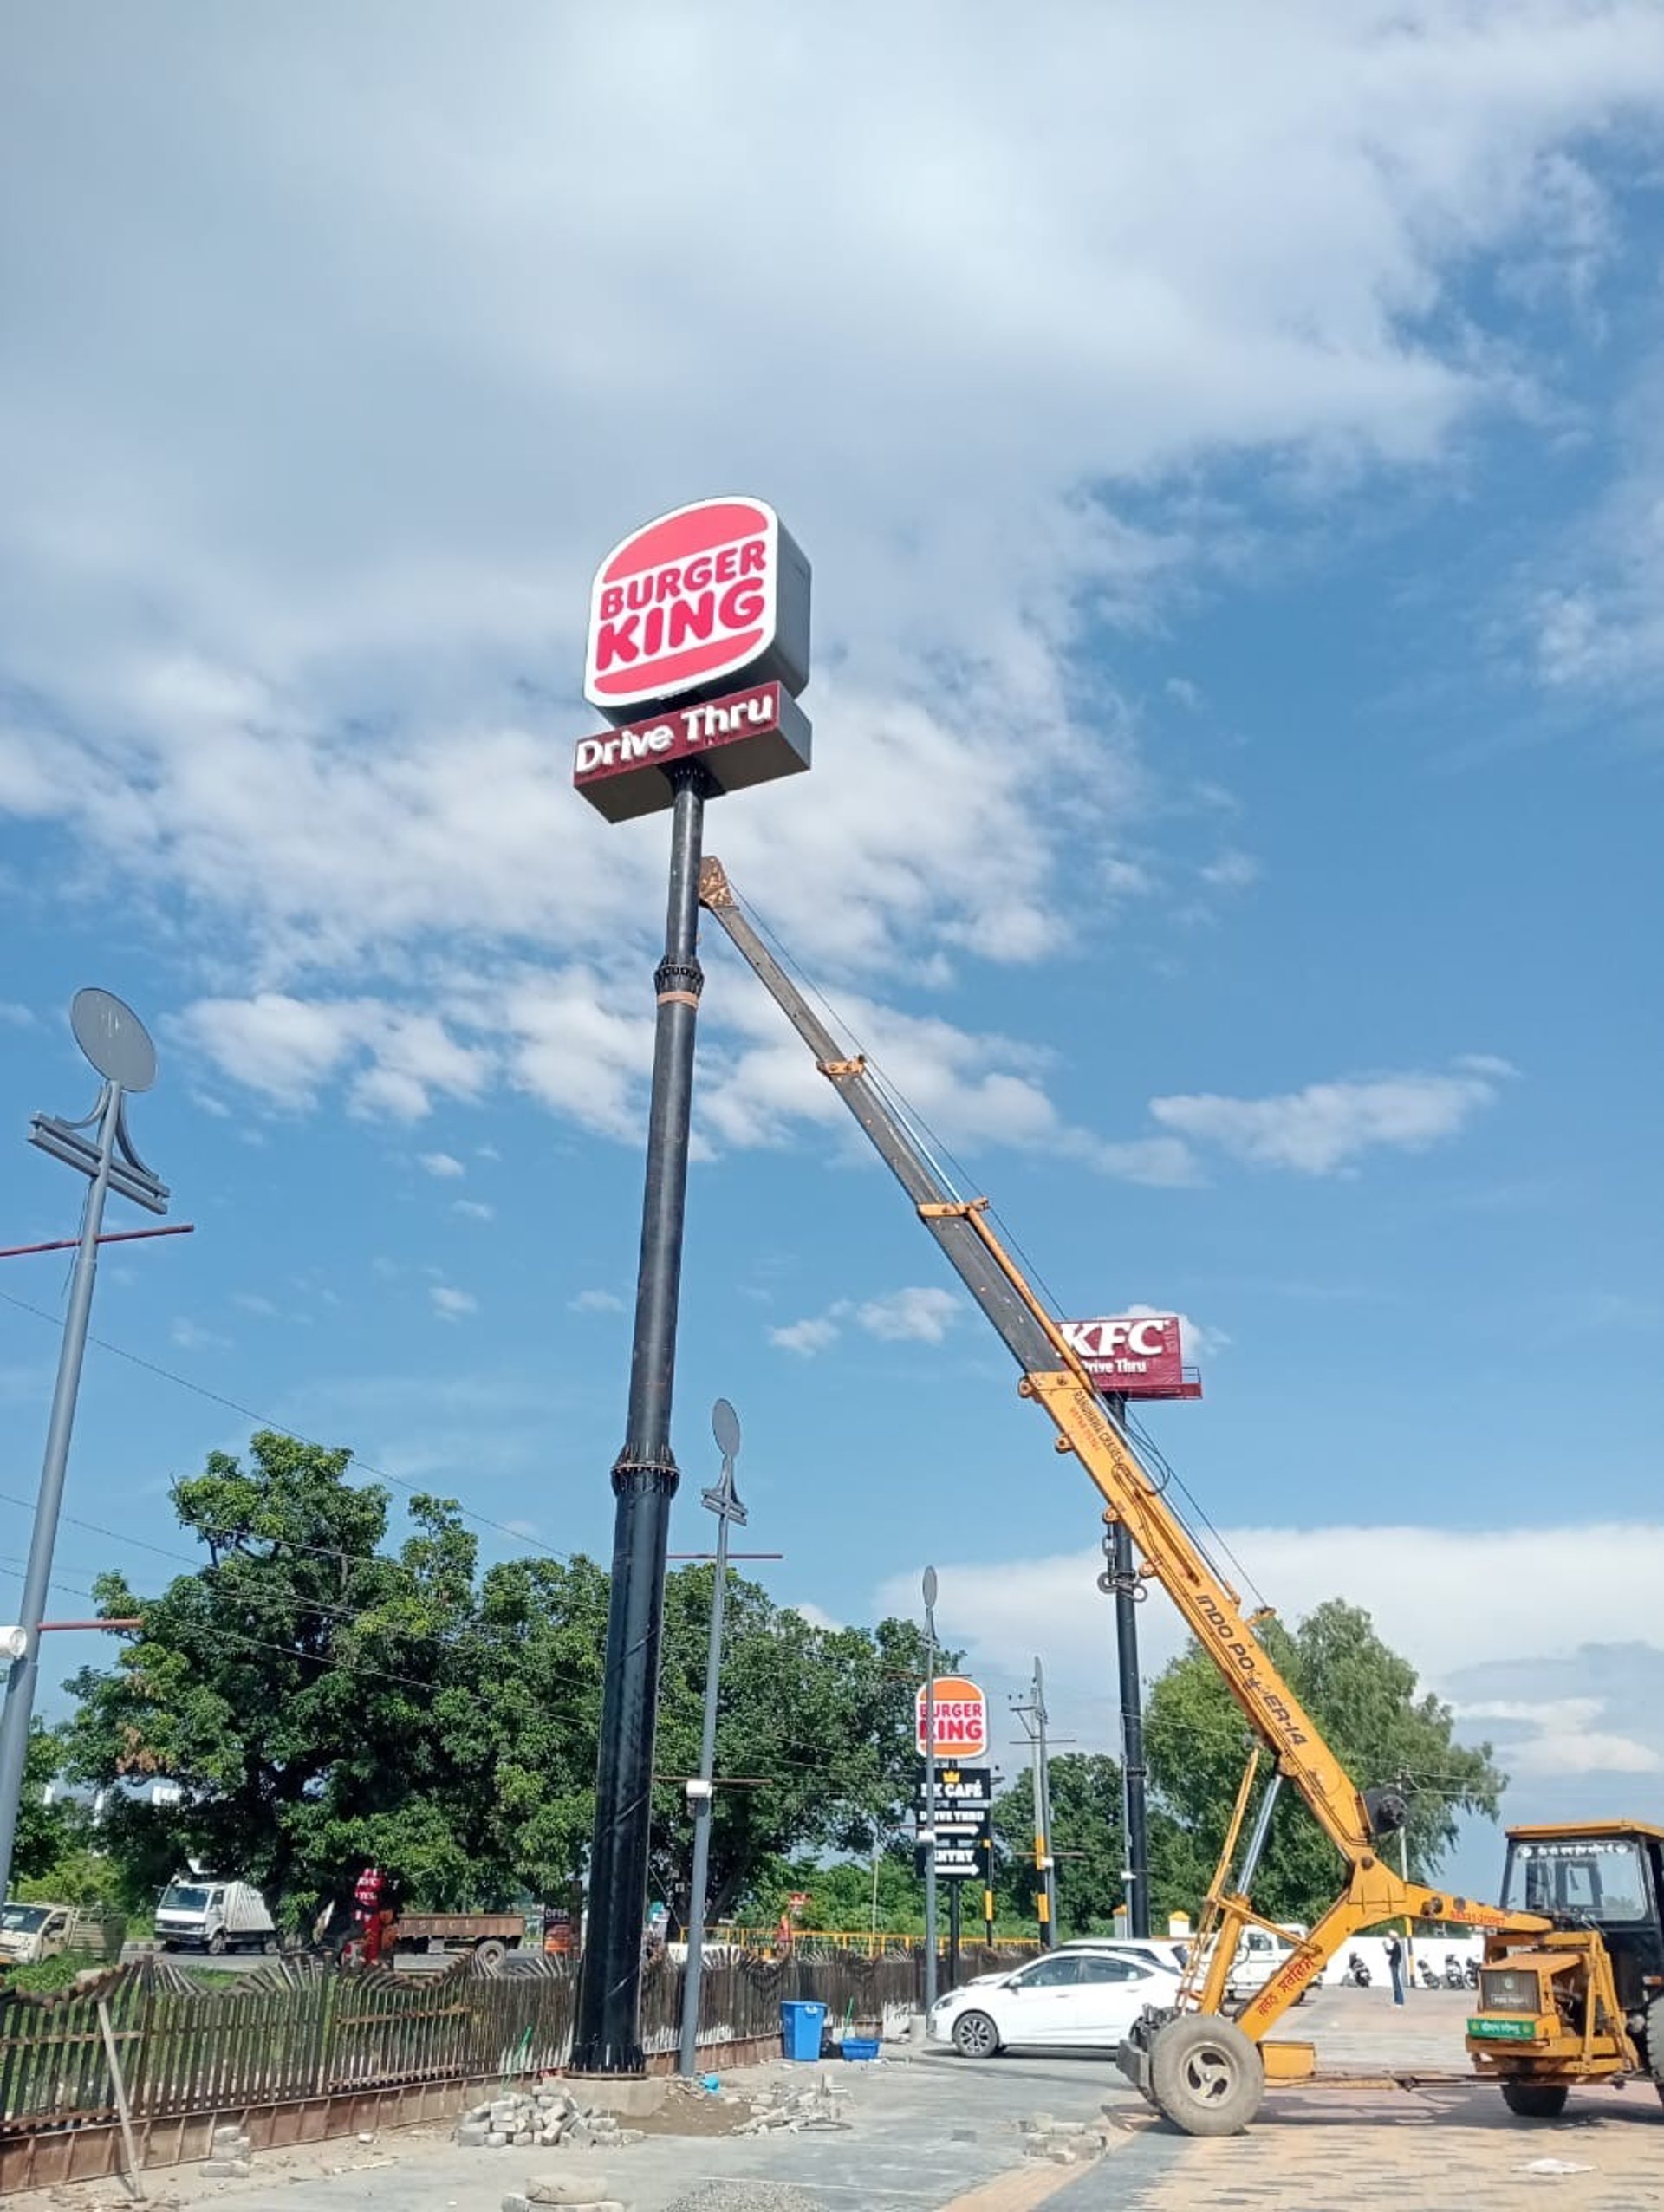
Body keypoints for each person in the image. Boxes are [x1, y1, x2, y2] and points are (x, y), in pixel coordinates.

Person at [1384, 1929, 1405, 2006]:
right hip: (1394, 1964)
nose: (1390, 1938)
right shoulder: (1396, 1944)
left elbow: (1391, 1952)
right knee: (1395, 1983)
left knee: (1396, 1983)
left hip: (1394, 1965)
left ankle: (1400, 2001)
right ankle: (1397, 2000)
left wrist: (1385, 1947)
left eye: (1390, 1936)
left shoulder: (1397, 1944)